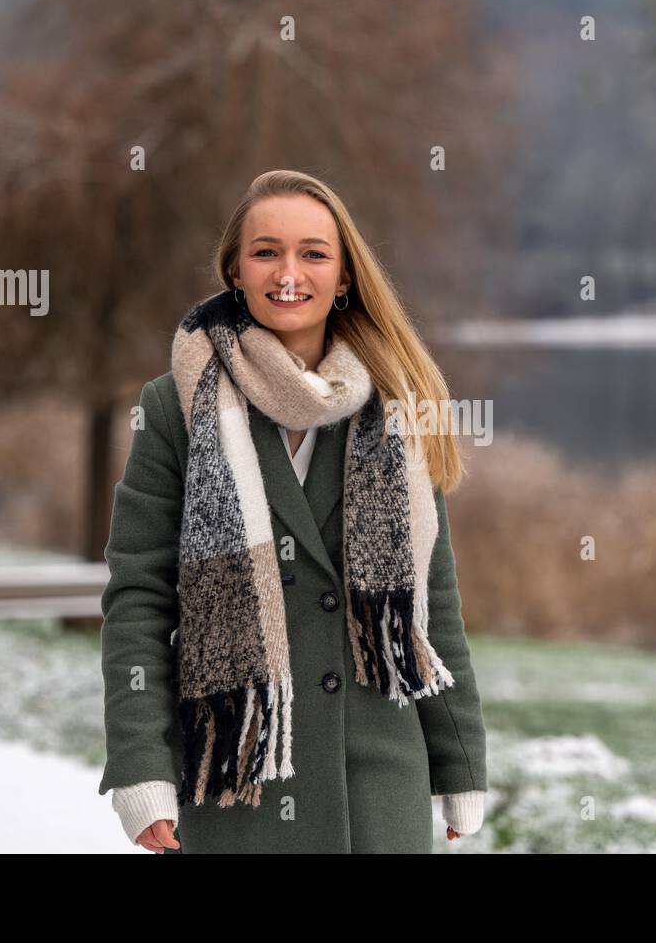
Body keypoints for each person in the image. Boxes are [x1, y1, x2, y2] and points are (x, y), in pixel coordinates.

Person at [97, 170, 488, 853]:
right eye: (266, 252)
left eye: (313, 253)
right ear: (235, 271)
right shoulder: (177, 406)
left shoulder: (400, 406)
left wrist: (461, 765)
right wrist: (140, 765)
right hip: (238, 783)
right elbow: (138, 600)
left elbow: (436, 606)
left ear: (343, 278)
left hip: (379, 790)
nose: (289, 273)